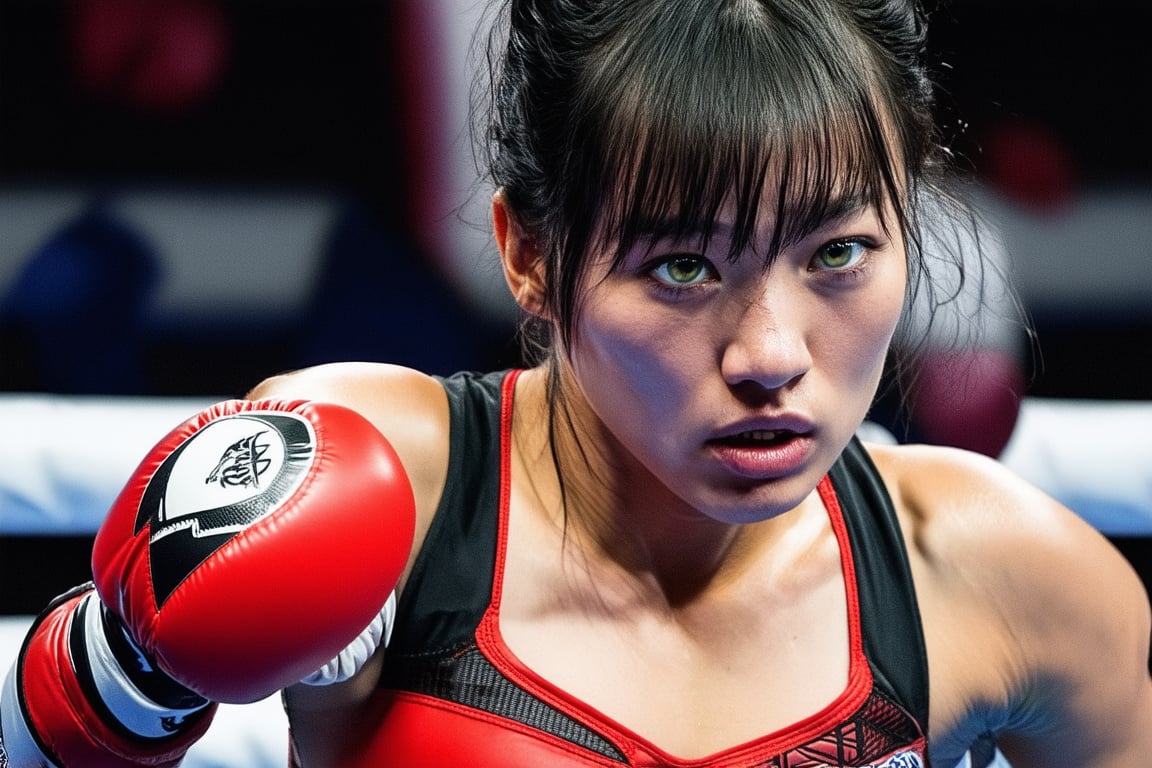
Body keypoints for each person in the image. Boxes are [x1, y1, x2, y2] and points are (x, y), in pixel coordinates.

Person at [3, 0, 1150, 766]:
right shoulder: (388, 476)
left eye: (836, 254)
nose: (769, 354)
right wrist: (131, 663)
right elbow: (48, 725)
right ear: (532, 256)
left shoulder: (1017, 583)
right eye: (684, 266)